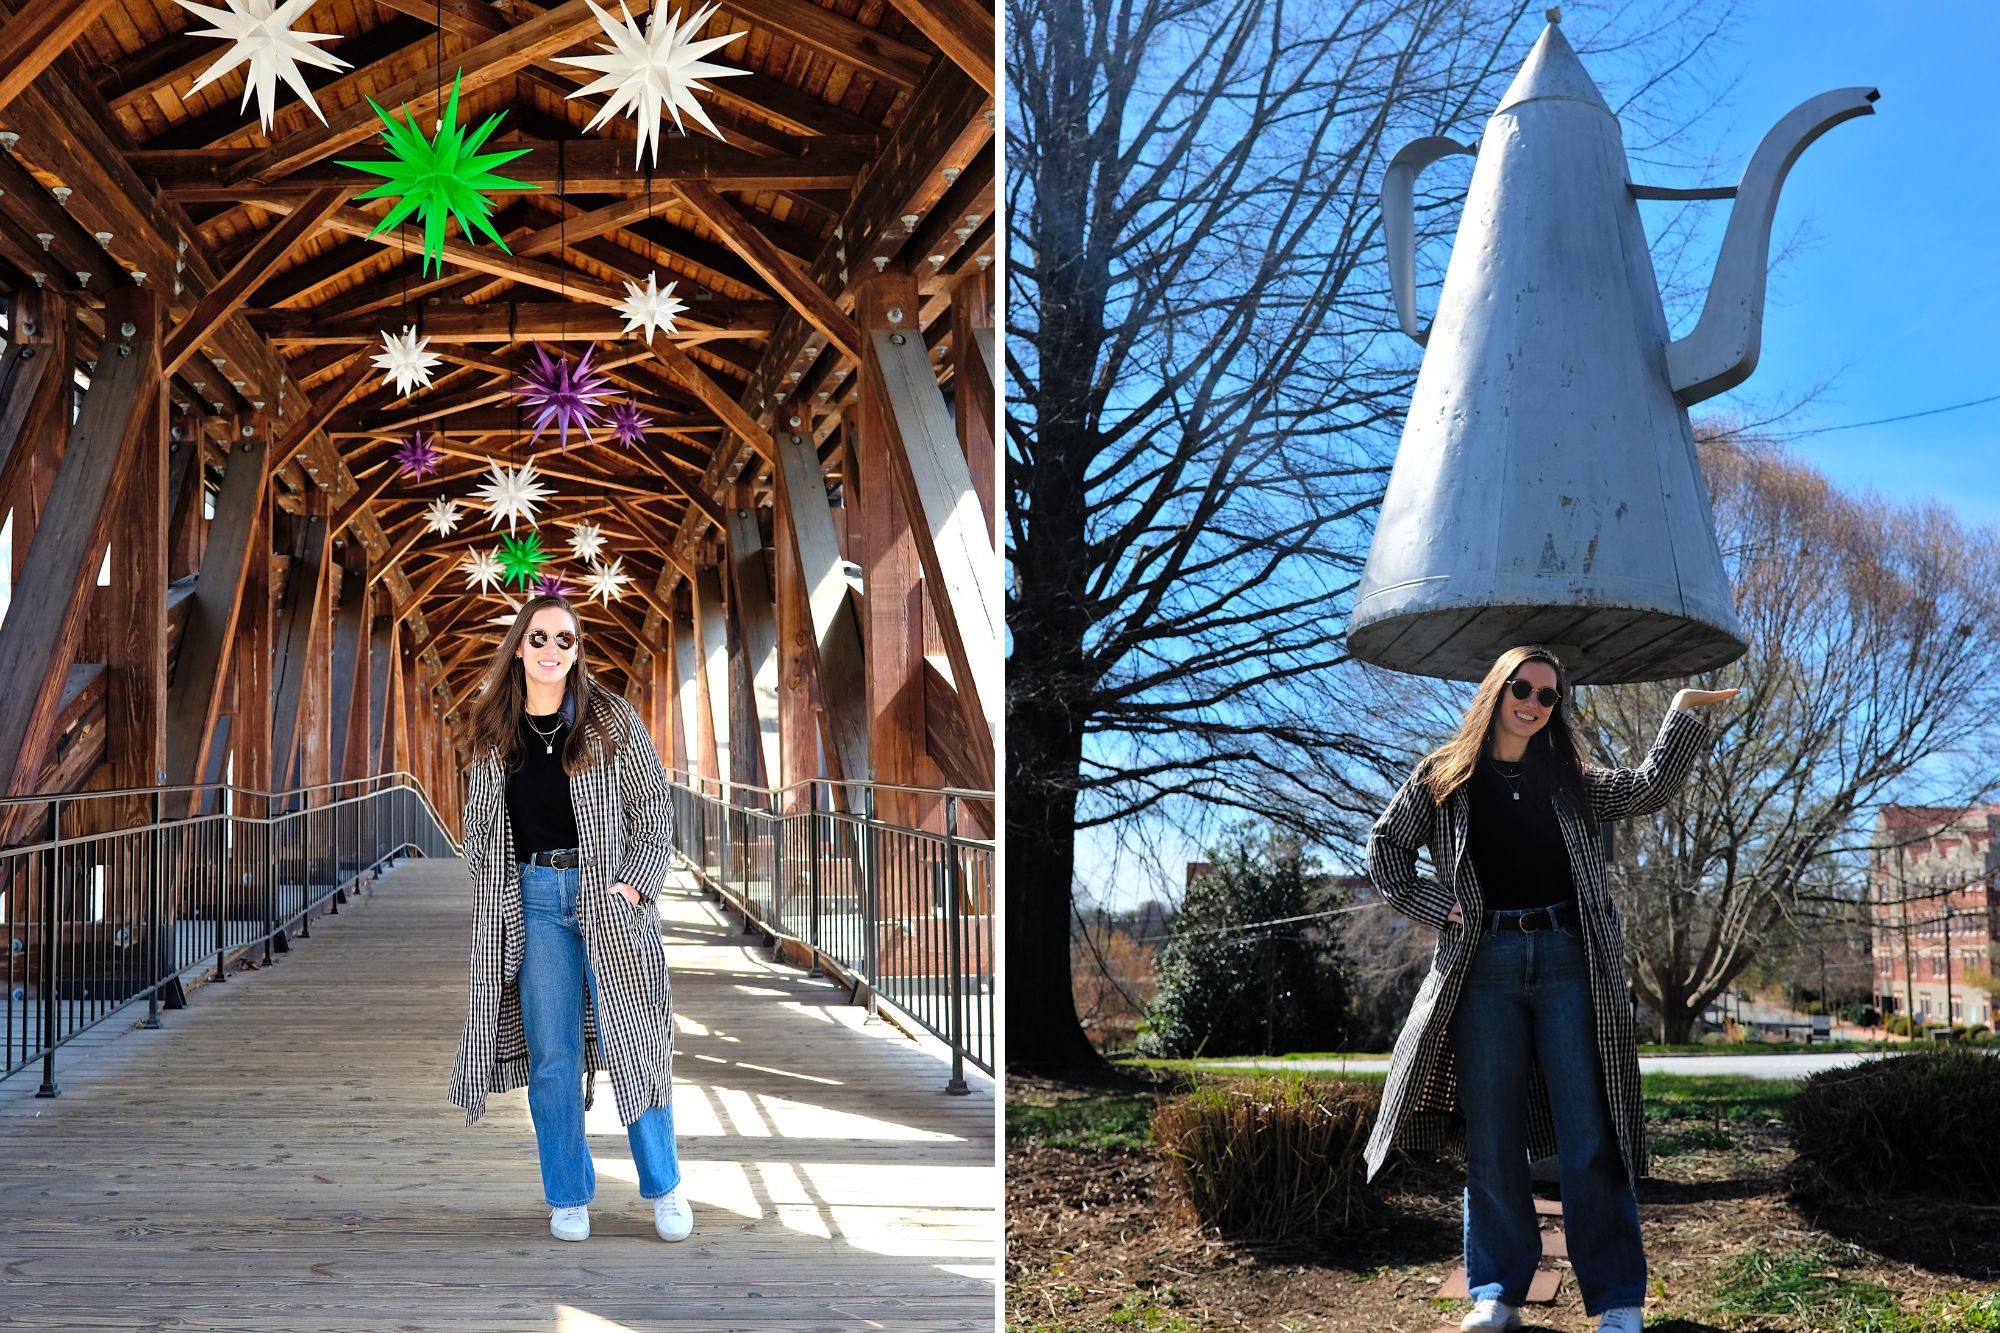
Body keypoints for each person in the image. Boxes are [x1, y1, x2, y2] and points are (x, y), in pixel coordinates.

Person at [1362, 645, 1736, 1333]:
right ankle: (1498, 1290)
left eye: (1548, 696)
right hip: (1484, 964)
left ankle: (1618, 1300)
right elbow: (1384, 848)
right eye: (1523, 688)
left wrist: (1681, 715)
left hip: (1569, 959)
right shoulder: (1442, 775)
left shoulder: (1571, 779)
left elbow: (1649, 788)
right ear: (1496, 689)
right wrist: (1431, 902)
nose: (1533, 703)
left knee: (1589, 1132)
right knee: (1492, 1135)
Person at [447, 593, 690, 1244]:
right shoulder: (495, 729)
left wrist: (632, 891)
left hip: (605, 896)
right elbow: (478, 828)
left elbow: (655, 815)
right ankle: (568, 1194)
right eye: (539, 638)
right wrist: (496, 899)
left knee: (634, 1041)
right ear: (518, 646)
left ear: (577, 649)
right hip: (533, 901)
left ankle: (664, 1185)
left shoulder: (610, 719)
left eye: (565, 640)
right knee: (552, 1055)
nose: (552, 650)